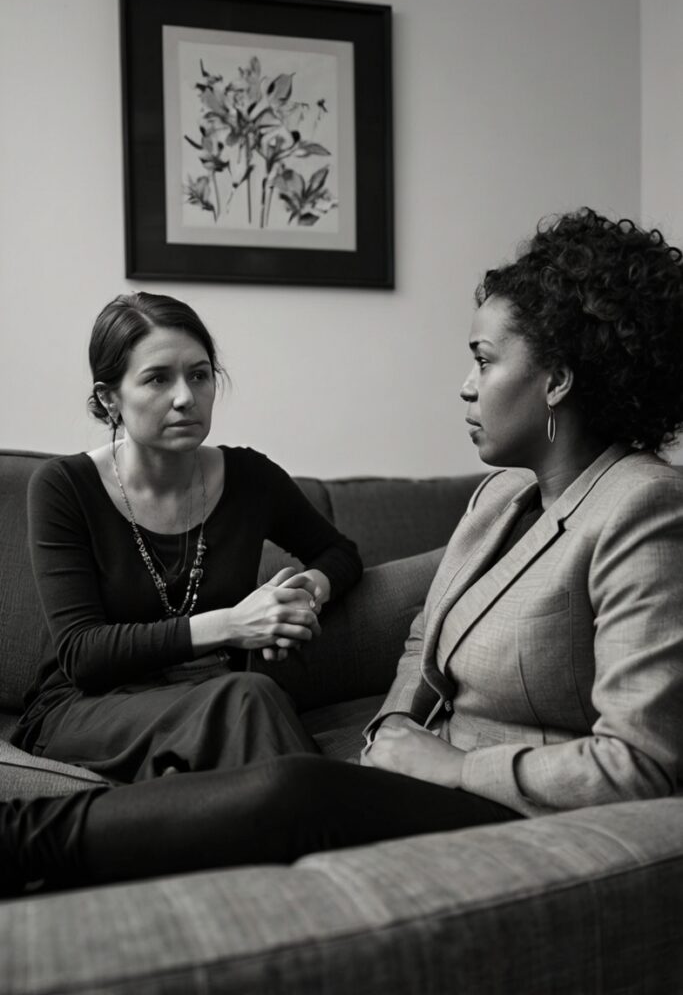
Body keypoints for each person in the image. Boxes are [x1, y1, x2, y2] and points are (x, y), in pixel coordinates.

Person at [4, 207, 683, 899]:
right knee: (280, 763)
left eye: (483, 360)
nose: (464, 384)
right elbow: (423, 639)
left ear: (558, 380)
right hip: (119, 708)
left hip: (508, 806)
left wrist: (448, 765)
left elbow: (643, 766)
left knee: (290, 777)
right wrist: (389, 731)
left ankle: (30, 843)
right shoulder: (500, 498)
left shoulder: (644, 506)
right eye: (156, 379)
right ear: (109, 398)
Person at [11, 292, 362, 782]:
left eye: (199, 375)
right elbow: (83, 654)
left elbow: (339, 553)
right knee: (250, 698)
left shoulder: (250, 477)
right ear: (110, 398)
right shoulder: (63, 487)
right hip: (88, 708)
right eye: (158, 378)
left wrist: (303, 595)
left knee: (246, 704)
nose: (185, 397)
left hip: (211, 699)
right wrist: (233, 624)